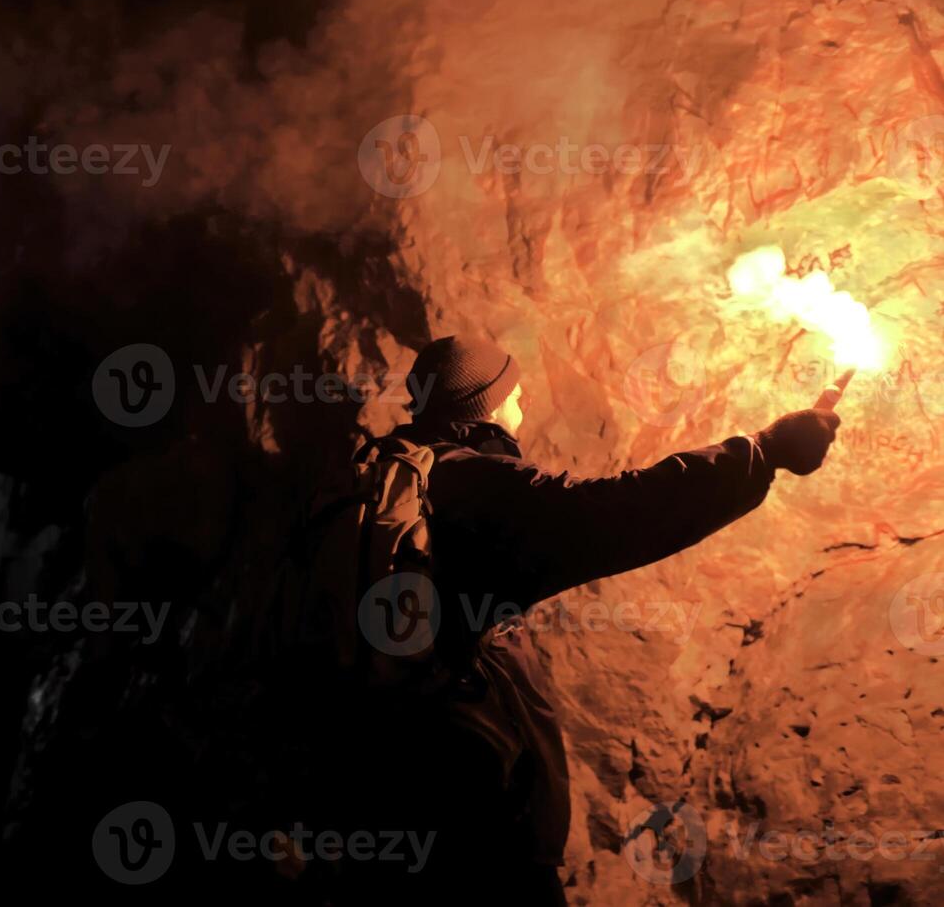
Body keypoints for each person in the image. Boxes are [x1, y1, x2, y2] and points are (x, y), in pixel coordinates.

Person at [351, 335, 840, 903]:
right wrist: (762, 451)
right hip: (467, 804)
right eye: (514, 392)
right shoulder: (471, 484)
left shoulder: (378, 476)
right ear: (485, 404)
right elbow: (614, 512)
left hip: (372, 783)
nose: (524, 402)